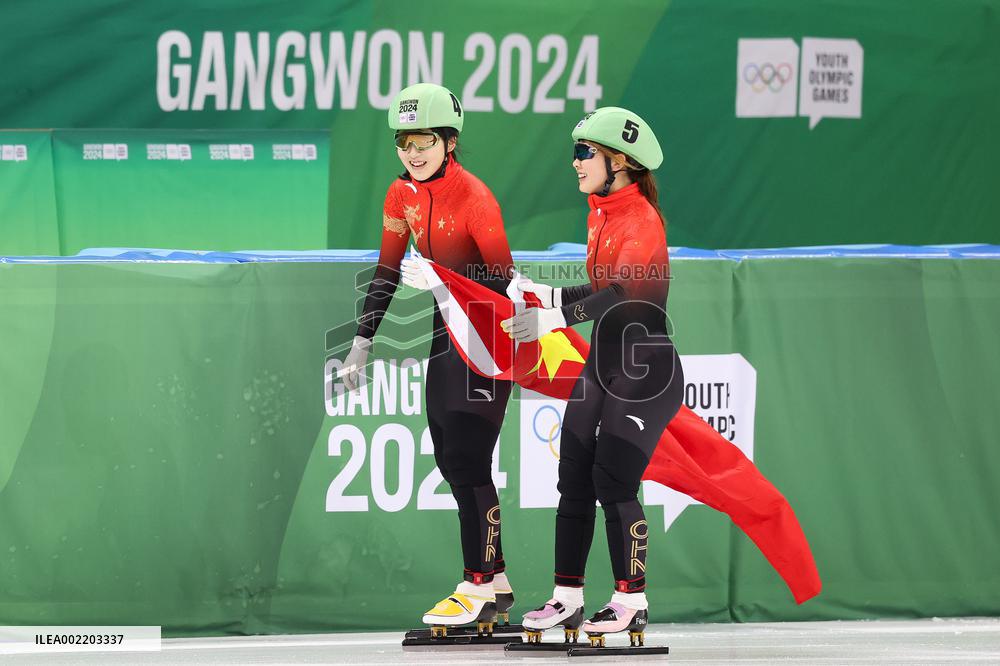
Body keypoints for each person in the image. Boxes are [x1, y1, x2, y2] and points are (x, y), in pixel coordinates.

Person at [502, 107, 684, 646]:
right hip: (604, 363)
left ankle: (632, 601)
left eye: (585, 153)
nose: (576, 162)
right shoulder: (599, 212)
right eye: (576, 151)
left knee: (613, 481)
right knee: (574, 478)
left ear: (620, 162)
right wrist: (546, 294)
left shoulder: (641, 220)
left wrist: (553, 317)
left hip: (644, 369)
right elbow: (599, 289)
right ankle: (568, 598)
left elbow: (622, 293)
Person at [340, 83, 516, 634]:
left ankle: (476, 585)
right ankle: (497, 582)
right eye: (404, 143)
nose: (412, 153)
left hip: (487, 337)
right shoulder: (401, 195)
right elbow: (387, 271)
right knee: (447, 453)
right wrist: (362, 341)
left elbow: (505, 283)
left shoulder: (476, 198)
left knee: (468, 457)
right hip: (446, 333)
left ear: (449, 141)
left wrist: (446, 278)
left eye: (424, 142)